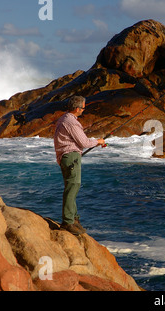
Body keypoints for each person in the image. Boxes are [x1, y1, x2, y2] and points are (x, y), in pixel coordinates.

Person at [54, 96, 105, 235]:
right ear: (77, 109)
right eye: (83, 108)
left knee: (72, 186)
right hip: (71, 157)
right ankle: (67, 222)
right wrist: (99, 141)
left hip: (66, 157)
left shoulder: (64, 119)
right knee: (72, 187)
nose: (83, 110)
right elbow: (84, 143)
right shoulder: (71, 122)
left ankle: (74, 219)